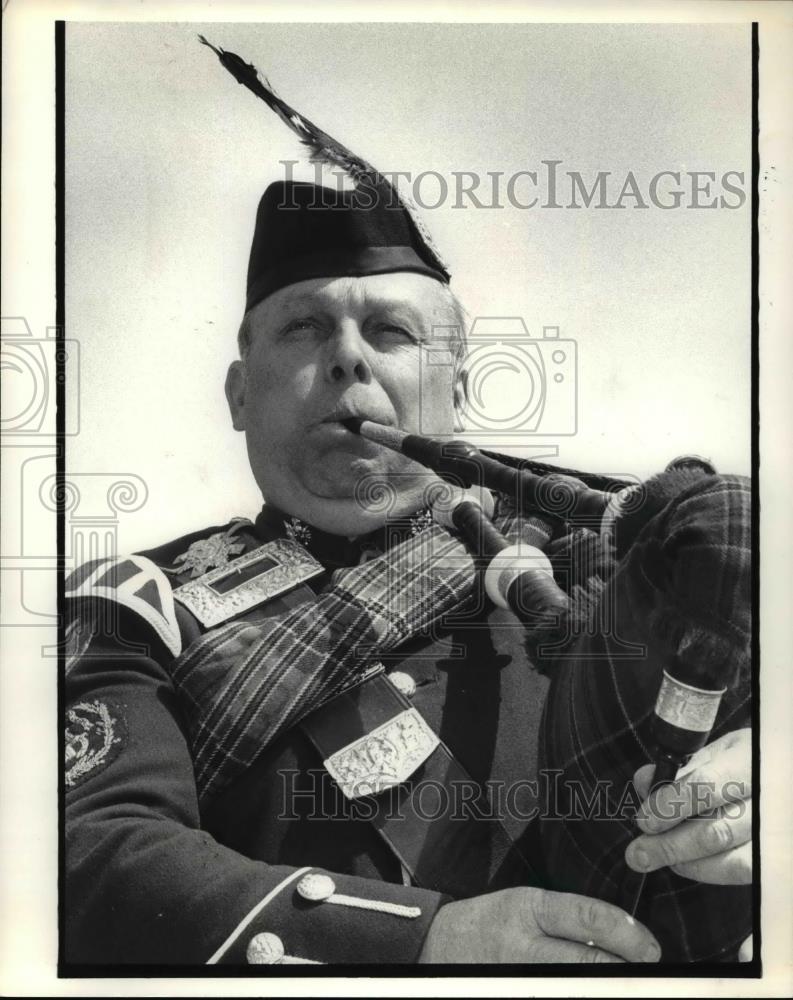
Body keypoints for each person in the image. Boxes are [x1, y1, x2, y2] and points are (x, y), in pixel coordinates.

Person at [63, 179, 753, 967]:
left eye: (390, 332)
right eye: (304, 327)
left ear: (454, 392)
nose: (347, 356)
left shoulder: (598, 564)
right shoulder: (142, 607)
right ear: (238, 393)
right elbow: (96, 855)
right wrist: (425, 939)